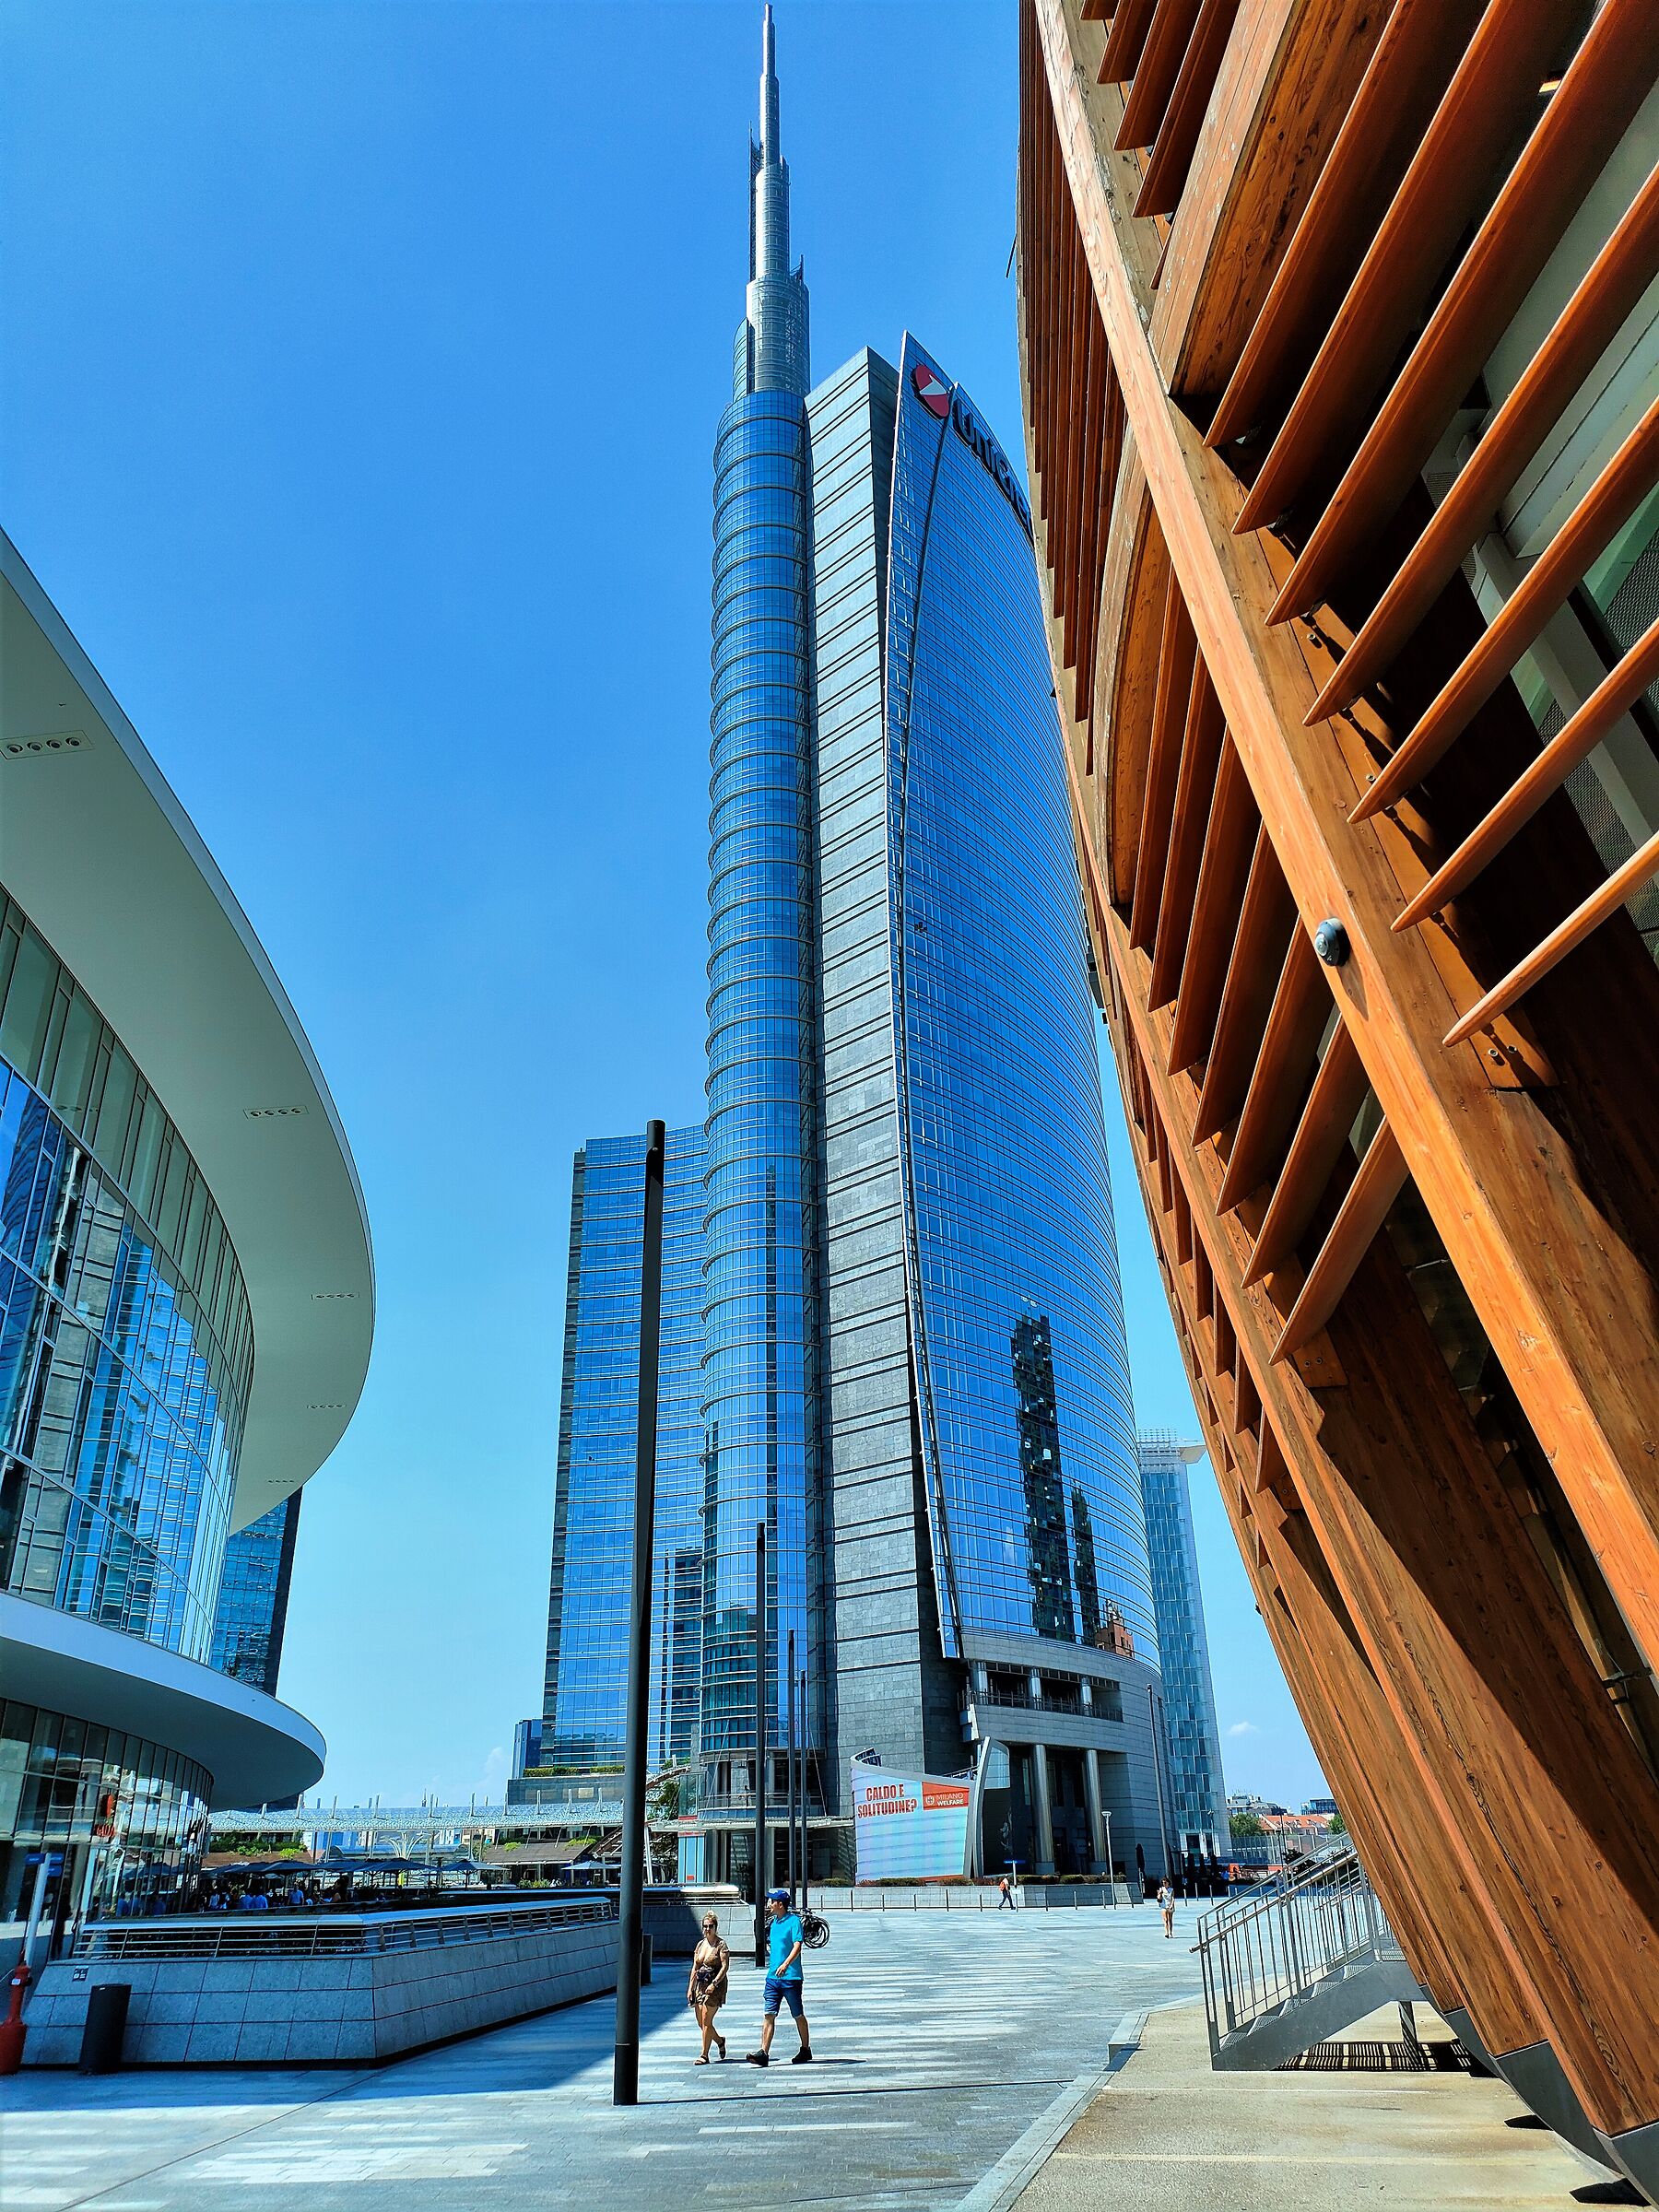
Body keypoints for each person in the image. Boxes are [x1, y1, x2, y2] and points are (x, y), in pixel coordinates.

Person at [747, 1888, 810, 2066]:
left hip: (791, 1978)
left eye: (771, 1901)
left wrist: (786, 1964)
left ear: (780, 1904)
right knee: (769, 2014)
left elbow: (797, 1946)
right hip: (772, 1978)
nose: (769, 1904)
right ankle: (763, 2053)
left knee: (797, 2014)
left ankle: (805, 2049)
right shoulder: (773, 1923)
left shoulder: (794, 1921)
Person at [687, 1912, 731, 2064]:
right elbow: (695, 1967)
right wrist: (690, 1988)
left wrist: (714, 1983)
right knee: (701, 2022)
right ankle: (720, 2041)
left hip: (715, 1986)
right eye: (705, 1926)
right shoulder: (700, 1945)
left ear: (715, 1927)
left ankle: (704, 2055)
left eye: (710, 1926)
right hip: (700, 1985)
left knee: (706, 2020)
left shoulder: (721, 1945)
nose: (707, 1929)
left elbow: (725, 1967)